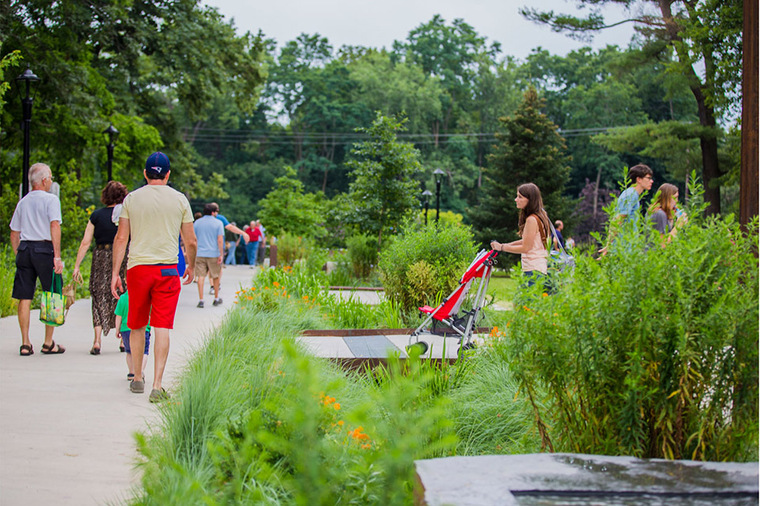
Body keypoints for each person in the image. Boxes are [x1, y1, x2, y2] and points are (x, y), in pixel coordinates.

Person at [111, 151, 197, 402]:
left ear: (145, 174)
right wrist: (190, 265)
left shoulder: (131, 199)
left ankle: (137, 377)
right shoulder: (180, 200)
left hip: (138, 269)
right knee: (162, 326)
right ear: (168, 174)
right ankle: (157, 385)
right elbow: (190, 240)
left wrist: (115, 273)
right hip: (167, 270)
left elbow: (121, 238)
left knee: (137, 324)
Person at [10, 163, 66, 356]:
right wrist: (56, 256)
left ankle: (25, 343)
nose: (50, 180)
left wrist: (20, 253)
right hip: (44, 249)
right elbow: (54, 226)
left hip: (25, 248)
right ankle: (48, 342)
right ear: (44, 180)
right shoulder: (51, 200)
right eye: (50, 177)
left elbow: (14, 232)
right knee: (52, 294)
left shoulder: (23, 202)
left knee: (24, 296)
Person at [72, 181, 129, 355]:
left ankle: (97, 341)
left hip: (100, 256)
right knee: (122, 294)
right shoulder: (126, 215)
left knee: (98, 295)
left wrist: (77, 266)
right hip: (122, 256)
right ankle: (122, 340)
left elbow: (85, 242)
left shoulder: (96, 215)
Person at [490, 183, 552, 287]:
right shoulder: (541, 216)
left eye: (520, 197)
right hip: (540, 268)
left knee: (526, 303)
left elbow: (526, 247)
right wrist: (504, 245)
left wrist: (502, 247)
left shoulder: (532, 220)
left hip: (533, 270)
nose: (516, 199)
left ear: (530, 200)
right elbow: (527, 241)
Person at [599, 164, 654, 256]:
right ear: (639, 179)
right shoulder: (630, 195)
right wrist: (609, 244)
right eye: (648, 178)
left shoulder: (634, 195)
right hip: (623, 249)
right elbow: (618, 220)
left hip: (629, 248)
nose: (651, 181)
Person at [114, 290, 151, 382]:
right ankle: (140, 371)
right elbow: (151, 313)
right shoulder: (146, 297)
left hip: (126, 329)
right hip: (143, 328)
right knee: (144, 352)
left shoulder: (122, 298)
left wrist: (117, 329)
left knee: (129, 352)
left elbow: (118, 316)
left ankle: (131, 372)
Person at [194, 203, 224, 308]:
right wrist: (221, 254)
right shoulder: (218, 223)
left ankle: (201, 300)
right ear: (212, 212)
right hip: (213, 253)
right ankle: (216, 298)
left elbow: (194, 239)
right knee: (215, 276)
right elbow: (220, 240)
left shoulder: (197, 223)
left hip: (200, 253)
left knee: (201, 276)